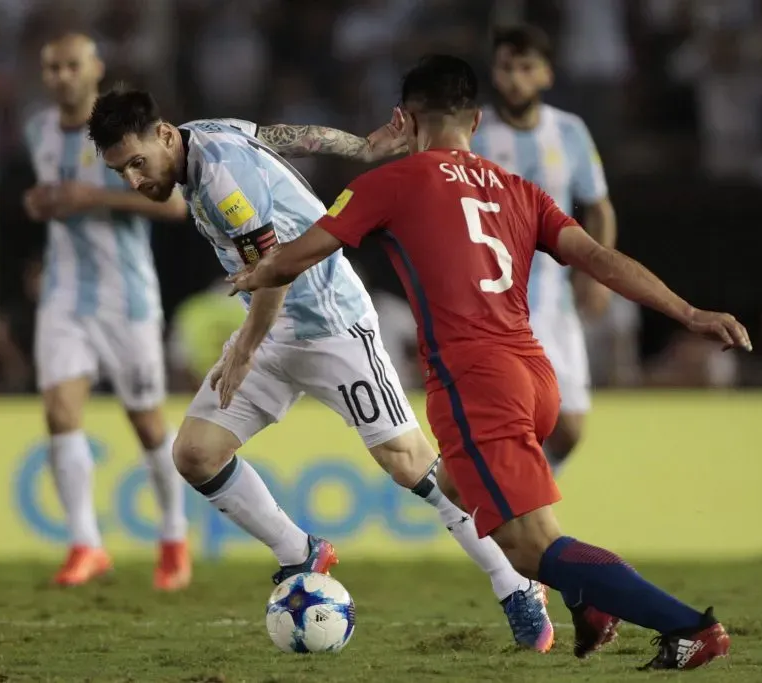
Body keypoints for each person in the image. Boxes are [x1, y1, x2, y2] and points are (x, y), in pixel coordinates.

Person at [228, 55, 750, 671]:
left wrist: (254, 272)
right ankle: (591, 602)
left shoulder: (391, 183)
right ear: (475, 120)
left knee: (532, 549)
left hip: (476, 380)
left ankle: (690, 628)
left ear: (406, 119)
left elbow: (297, 257)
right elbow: (601, 260)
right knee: (453, 484)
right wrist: (687, 312)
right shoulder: (520, 190)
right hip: (534, 372)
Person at [87, 87, 556, 651]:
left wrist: (242, 349)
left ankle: (516, 582)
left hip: (332, 327)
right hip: (272, 328)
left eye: (137, 163)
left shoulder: (219, 179)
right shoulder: (205, 130)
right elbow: (284, 136)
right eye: (121, 172)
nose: (135, 181)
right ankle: (299, 553)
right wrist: (358, 146)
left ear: (163, 134)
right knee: (195, 454)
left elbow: (274, 269)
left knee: (413, 467)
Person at [22, 34, 190, 590]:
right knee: (59, 413)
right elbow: (51, 196)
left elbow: (174, 203)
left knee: (146, 423)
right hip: (65, 297)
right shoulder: (38, 130)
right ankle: (86, 544)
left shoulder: (123, 130)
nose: (62, 76)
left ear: (94, 68)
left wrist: (95, 197)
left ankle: (172, 535)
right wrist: (40, 202)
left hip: (128, 299)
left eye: (72, 65)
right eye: (53, 67)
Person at [472, 24, 617, 475]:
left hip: (553, 299)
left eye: (525, 67)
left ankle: (512, 503)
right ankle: (513, 518)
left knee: (569, 428)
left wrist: (595, 273)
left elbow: (599, 209)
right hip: (491, 299)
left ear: (546, 75)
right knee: (514, 419)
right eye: (505, 67)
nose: (514, 78)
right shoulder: (472, 132)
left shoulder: (570, 132)